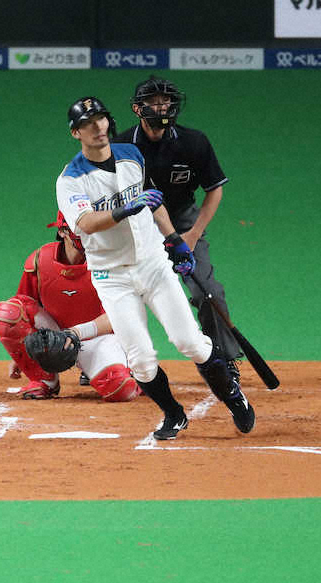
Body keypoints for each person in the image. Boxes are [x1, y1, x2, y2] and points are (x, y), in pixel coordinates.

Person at [55, 95, 255, 439]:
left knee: (190, 341)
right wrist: (126, 209)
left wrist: (175, 240)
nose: (98, 127)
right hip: (112, 277)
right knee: (141, 360)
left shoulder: (131, 155)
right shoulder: (71, 180)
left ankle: (234, 398)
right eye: (88, 123)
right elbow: (86, 223)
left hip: (153, 264)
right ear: (76, 133)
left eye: (101, 119)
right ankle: (174, 414)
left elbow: (153, 201)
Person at [113, 76, 241, 382]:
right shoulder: (121, 146)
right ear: (137, 108)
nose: (162, 107)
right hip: (136, 223)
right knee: (116, 289)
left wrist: (193, 234)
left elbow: (215, 189)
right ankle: (110, 360)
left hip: (184, 220)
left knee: (208, 291)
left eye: (166, 100)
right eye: (153, 102)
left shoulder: (193, 142)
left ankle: (223, 360)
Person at [0, 211, 141, 402]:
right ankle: (44, 381)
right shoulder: (40, 259)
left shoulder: (110, 261)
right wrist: (23, 355)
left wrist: (75, 333)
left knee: (121, 389)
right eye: (82, 228)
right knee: (8, 312)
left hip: (99, 338)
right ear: (62, 231)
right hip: (57, 336)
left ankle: (132, 370)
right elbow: (23, 307)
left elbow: (116, 318)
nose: (88, 232)